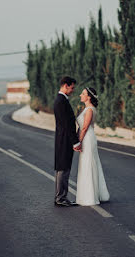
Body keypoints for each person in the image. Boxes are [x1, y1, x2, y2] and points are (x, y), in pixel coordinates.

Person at [75, 87, 110, 206]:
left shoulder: (89, 110)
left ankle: (90, 196)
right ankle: (91, 193)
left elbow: (84, 128)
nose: (80, 95)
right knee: (87, 164)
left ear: (89, 96)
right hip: (87, 137)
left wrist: (78, 142)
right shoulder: (87, 109)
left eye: (83, 93)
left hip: (87, 139)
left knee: (88, 164)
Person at [53, 76, 82, 207]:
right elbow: (67, 124)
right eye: (72, 87)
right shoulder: (60, 101)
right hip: (64, 140)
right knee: (63, 168)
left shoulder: (62, 100)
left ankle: (61, 197)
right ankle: (60, 198)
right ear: (65, 85)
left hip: (64, 139)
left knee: (63, 168)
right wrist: (75, 142)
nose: (73, 90)